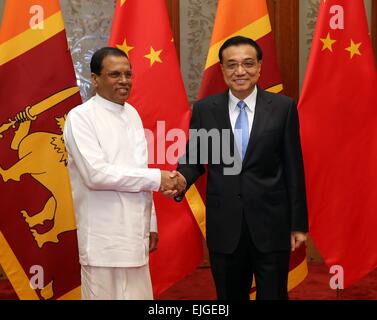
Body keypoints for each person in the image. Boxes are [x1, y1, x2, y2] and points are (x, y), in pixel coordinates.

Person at [173, 36, 308, 300]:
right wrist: (179, 180)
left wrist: (298, 224)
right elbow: (195, 158)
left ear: (259, 67)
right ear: (222, 69)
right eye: (232, 65)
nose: (240, 71)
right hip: (225, 226)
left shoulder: (283, 108)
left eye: (248, 64)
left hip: (272, 225)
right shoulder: (205, 109)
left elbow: (294, 168)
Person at [63, 47, 178, 300]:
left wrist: (150, 223)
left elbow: (139, 168)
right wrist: (159, 178)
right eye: (115, 74)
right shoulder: (80, 117)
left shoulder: (132, 114)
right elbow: (96, 175)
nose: (124, 81)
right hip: (103, 240)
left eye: (128, 74)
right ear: (95, 79)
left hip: (135, 235)